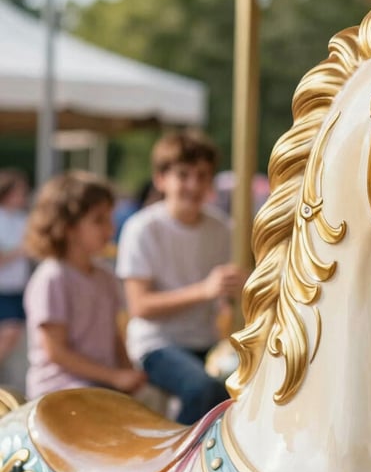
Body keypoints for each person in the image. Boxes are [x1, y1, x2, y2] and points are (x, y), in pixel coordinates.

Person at [116, 131, 246, 424]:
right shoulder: (142, 228)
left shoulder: (222, 228)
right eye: (183, 175)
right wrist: (205, 290)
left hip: (206, 340)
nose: (193, 185)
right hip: (157, 344)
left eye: (202, 176)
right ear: (161, 179)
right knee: (202, 389)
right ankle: (178, 462)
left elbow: (227, 296)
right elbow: (140, 306)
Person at [23, 171, 147, 399]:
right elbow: (56, 352)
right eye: (99, 220)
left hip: (100, 385)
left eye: (109, 218)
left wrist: (127, 371)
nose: (110, 229)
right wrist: (113, 376)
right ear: (68, 227)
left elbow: (113, 336)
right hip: (59, 391)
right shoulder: (52, 278)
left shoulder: (105, 276)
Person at [0, 169, 30, 365]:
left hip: (18, 287)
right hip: (3, 288)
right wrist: (21, 251)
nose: (23, 197)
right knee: (10, 332)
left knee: (13, 334)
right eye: (20, 192)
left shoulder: (23, 219)